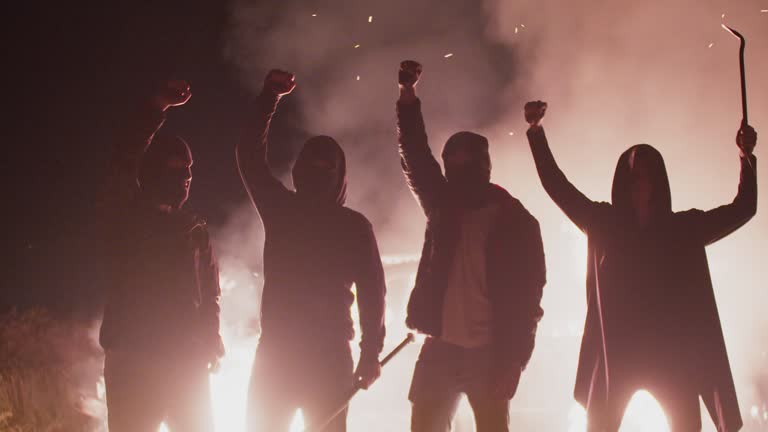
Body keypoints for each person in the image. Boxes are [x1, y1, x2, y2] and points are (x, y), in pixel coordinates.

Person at [524, 100, 757, 431]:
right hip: (616, 355)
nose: (639, 181)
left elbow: (743, 208)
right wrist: (536, 132)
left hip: (672, 357)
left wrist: (747, 157)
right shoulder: (603, 222)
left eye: (645, 173)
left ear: (657, 180)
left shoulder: (682, 229)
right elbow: (557, 186)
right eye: (633, 174)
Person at [396, 60, 546, 432]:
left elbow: (530, 299)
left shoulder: (517, 222)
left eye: (465, 163)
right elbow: (414, 155)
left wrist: (514, 361)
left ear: (484, 165)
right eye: (453, 163)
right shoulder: (444, 206)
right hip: (441, 347)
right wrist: (407, 97)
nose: (457, 171)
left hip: (490, 353)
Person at [238, 69, 387, 432]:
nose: (319, 174)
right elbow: (250, 158)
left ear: (339, 176)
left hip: (312, 357)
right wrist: (369, 354)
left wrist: (370, 353)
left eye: (326, 169)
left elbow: (372, 292)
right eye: (314, 166)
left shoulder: (296, 212)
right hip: (293, 355)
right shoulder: (290, 211)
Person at [96, 80, 224, 432]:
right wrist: (156, 108)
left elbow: (210, 292)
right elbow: (124, 159)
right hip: (134, 362)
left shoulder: (195, 229)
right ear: (153, 170)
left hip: (187, 363)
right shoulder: (124, 214)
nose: (185, 177)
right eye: (175, 168)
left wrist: (211, 336)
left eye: (189, 170)